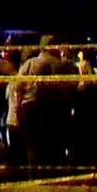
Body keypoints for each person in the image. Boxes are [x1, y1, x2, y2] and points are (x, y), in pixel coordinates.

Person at [16, 35, 71, 178]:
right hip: (54, 111)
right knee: (53, 149)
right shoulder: (61, 65)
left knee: (33, 148)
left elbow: (17, 88)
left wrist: (18, 111)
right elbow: (68, 90)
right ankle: (52, 180)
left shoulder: (29, 63)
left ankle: (33, 180)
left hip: (29, 109)